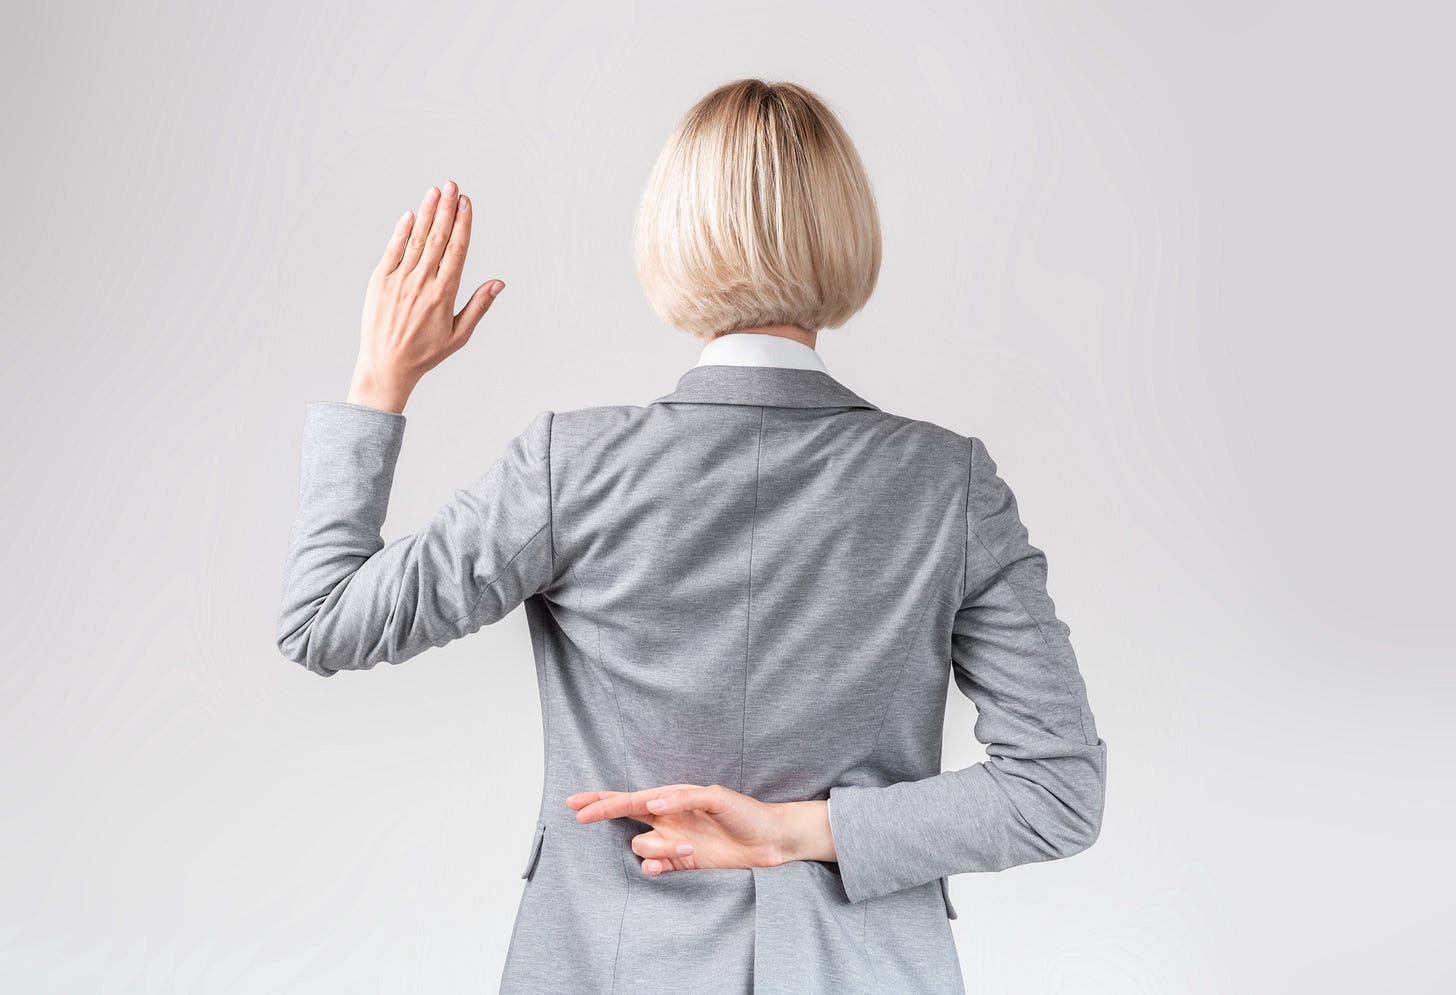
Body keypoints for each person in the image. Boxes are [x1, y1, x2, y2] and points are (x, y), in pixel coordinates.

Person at [276, 77, 1107, 995]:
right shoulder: (946, 485)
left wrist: (379, 380)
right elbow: (1058, 789)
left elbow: (323, 621)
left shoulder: (572, 467)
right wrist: (801, 829)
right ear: (848, 233)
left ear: (670, 235)